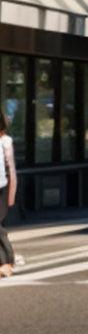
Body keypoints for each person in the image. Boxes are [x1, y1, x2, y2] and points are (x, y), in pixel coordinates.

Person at [0, 111, 17, 278]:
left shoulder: (5, 142)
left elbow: (11, 171)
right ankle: (6, 262)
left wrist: (11, 196)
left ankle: (6, 262)